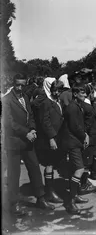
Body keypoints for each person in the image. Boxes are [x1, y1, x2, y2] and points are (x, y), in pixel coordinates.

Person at [2, 74, 55, 218]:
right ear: (13, 84)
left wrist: (32, 129)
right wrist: (26, 132)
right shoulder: (6, 100)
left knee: (34, 168)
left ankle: (40, 199)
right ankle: (13, 205)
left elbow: (30, 115)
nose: (20, 88)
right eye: (17, 85)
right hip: (14, 142)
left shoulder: (25, 97)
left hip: (28, 140)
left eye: (22, 85)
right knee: (14, 175)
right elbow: (9, 123)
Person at [34, 78, 65, 203]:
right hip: (49, 138)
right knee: (49, 163)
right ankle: (49, 192)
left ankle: (50, 190)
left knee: (52, 163)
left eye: (59, 91)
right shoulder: (46, 102)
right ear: (51, 89)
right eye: (56, 90)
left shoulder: (55, 101)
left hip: (57, 136)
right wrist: (51, 138)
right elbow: (45, 122)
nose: (58, 93)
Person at [60, 83, 90, 214]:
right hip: (72, 142)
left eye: (85, 93)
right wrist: (85, 136)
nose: (85, 95)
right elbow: (74, 126)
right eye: (82, 93)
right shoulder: (72, 108)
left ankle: (75, 195)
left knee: (75, 169)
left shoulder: (76, 106)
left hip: (75, 141)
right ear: (76, 94)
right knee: (79, 169)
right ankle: (70, 202)